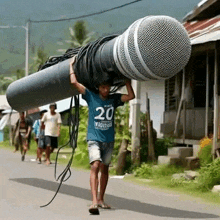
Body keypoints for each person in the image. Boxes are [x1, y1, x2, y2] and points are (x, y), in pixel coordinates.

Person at [69, 56, 135, 215]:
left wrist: (127, 81)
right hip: (94, 138)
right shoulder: (90, 96)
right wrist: (71, 65)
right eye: (103, 87)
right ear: (98, 87)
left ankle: (101, 199)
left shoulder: (114, 99)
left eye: (108, 87)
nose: (106, 90)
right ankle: (93, 202)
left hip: (108, 139)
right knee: (95, 165)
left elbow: (131, 96)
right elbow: (74, 83)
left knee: (105, 169)